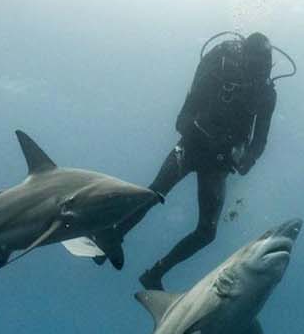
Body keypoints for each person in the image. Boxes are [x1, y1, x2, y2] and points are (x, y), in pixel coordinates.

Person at [114, 32, 280, 291]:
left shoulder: (266, 94)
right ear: (243, 59)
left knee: (207, 232)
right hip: (192, 146)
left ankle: (156, 272)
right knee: (154, 192)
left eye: (264, 68)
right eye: (254, 66)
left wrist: (247, 161)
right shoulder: (219, 67)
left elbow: (259, 141)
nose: (257, 76)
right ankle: (113, 235)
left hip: (220, 163)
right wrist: (204, 135)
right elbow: (183, 118)